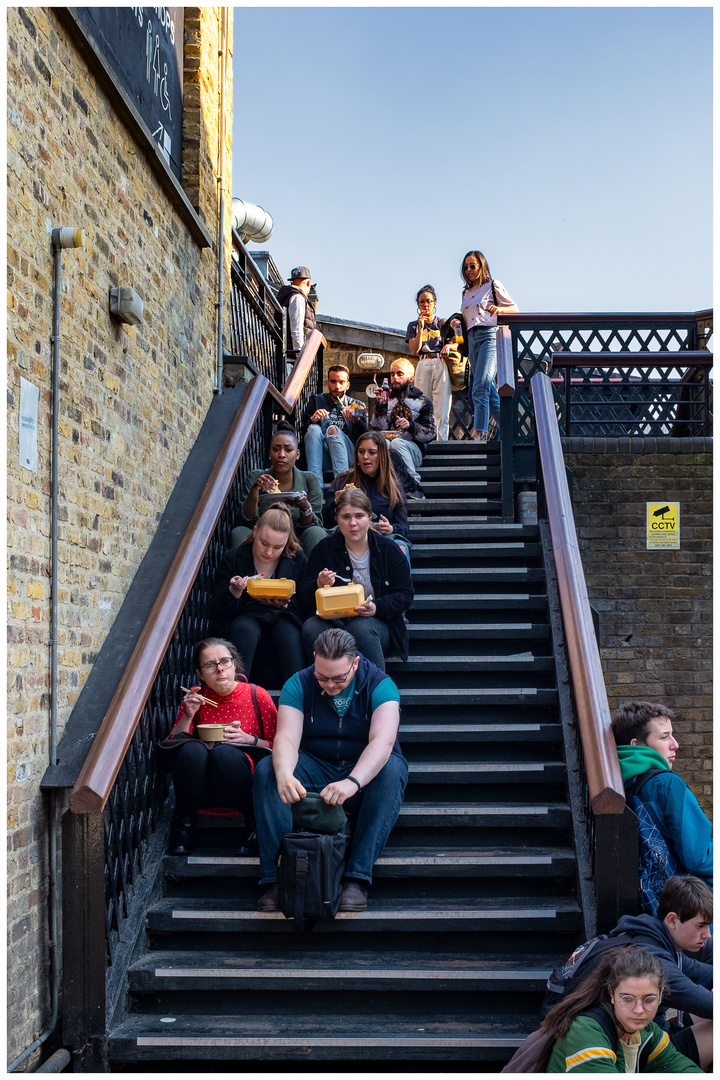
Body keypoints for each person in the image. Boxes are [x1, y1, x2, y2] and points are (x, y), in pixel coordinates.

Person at [253, 627, 408, 914]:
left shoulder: (381, 684)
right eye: (322, 677)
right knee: (267, 770)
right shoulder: (297, 683)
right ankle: (275, 879)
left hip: (362, 768)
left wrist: (353, 781)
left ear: (356, 663)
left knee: (393, 767)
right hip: (315, 764)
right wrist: (285, 773)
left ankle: (357, 878)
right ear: (314, 659)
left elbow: (383, 741)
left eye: (339, 678)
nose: (330, 685)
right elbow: (286, 737)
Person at [548, 876, 713, 1069]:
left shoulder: (652, 939)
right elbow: (706, 1003)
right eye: (701, 926)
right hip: (622, 1048)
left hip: (645, 1035)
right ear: (673, 920)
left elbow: (707, 974)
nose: (708, 934)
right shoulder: (651, 961)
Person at [163, 638, 277, 856]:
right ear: (200, 673)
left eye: (225, 661)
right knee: (191, 750)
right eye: (210, 665)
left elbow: (278, 744)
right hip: (203, 785)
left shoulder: (257, 695)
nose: (220, 669)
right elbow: (172, 744)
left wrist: (250, 740)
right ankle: (184, 825)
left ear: (234, 664)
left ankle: (253, 823)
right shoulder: (197, 698)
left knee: (224, 753)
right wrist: (188, 715)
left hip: (243, 783)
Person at [299, 488, 413, 671]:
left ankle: (375, 692)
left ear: (370, 517)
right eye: (345, 517)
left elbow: (405, 595)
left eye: (359, 516)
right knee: (312, 626)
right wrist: (318, 585)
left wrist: (377, 607)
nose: (353, 523)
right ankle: (323, 685)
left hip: (378, 624)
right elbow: (303, 596)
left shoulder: (388, 549)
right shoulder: (324, 549)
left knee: (360, 628)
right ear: (337, 519)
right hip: (334, 621)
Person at [542, 946, 702, 1072]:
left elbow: (678, 1066)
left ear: (660, 995)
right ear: (611, 993)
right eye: (628, 999)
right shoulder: (585, 1030)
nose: (639, 1010)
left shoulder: (648, 1031)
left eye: (649, 999)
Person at [612, 702, 713, 885]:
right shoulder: (668, 785)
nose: (675, 744)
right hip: (686, 897)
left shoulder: (617, 781)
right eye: (664, 737)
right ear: (637, 744)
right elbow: (699, 859)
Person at [208, 505, 307, 686]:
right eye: (264, 543)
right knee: (246, 628)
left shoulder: (297, 559)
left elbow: (307, 603)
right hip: (246, 618)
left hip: (283, 618)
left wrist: (285, 604)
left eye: (278, 547)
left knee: (287, 631)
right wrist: (235, 591)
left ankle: (298, 695)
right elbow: (215, 610)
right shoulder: (233, 558)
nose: (269, 552)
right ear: (255, 532)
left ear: (287, 543)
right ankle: (237, 692)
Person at [442, 250, 517, 442]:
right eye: (465, 267)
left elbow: (514, 309)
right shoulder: (466, 292)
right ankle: (510, 432)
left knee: (480, 385)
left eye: (472, 266)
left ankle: (479, 433)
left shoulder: (493, 285)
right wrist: (456, 323)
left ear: (482, 266)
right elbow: (468, 317)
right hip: (471, 338)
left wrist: (499, 309)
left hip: (489, 336)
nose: (468, 270)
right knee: (490, 392)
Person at [230, 422, 326, 556]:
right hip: (264, 535)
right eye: (276, 449)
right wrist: (255, 490)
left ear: (297, 454)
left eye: (288, 450)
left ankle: (313, 576)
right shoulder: (257, 476)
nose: (281, 454)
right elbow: (246, 518)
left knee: (316, 532)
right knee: (239, 532)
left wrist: (305, 507)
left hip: (297, 536)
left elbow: (315, 524)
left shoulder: (309, 479)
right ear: (269, 453)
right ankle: (244, 576)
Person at [323, 431, 410, 562]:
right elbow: (326, 521)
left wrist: (391, 528)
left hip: (382, 540)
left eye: (372, 452)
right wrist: (336, 503)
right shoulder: (342, 481)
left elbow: (403, 527)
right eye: (361, 452)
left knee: (400, 547)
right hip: (348, 540)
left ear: (382, 456)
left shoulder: (393, 486)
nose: (365, 457)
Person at [369, 357, 436, 499]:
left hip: (413, 450)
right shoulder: (385, 399)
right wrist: (379, 408)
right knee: (384, 444)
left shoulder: (423, 401)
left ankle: (413, 484)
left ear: (411, 378)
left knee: (396, 443)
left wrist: (411, 426)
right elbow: (374, 431)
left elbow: (431, 434)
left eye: (400, 374)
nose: (395, 377)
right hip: (389, 448)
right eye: (392, 374)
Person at [300, 364, 369, 485]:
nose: (337, 386)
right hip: (321, 453)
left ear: (347, 385)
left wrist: (356, 421)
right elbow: (303, 432)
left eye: (341, 382)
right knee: (313, 429)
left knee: (333, 429)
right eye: (333, 381)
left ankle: (342, 485)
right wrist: (313, 420)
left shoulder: (357, 405)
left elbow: (364, 437)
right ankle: (316, 486)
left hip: (347, 454)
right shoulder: (316, 400)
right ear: (327, 383)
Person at [406, 284, 452, 441]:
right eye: (421, 302)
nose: (425, 305)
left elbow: (457, 342)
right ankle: (424, 439)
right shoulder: (413, 325)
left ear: (435, 303)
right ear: (418, 304)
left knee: (442, 404)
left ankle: (441, 441)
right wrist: (420, 328)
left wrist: (449, 346)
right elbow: (414, 349)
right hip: (423, 361)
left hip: (440, 361)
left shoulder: (443, 323)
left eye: (429, 301)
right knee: (422, 403)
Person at [276, 265, 316, 357]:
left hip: (288, 354)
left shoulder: (289, 296)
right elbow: (296, 328)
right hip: (294, 358)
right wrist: (300, 356)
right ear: (308, 283)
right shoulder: (297, 297)